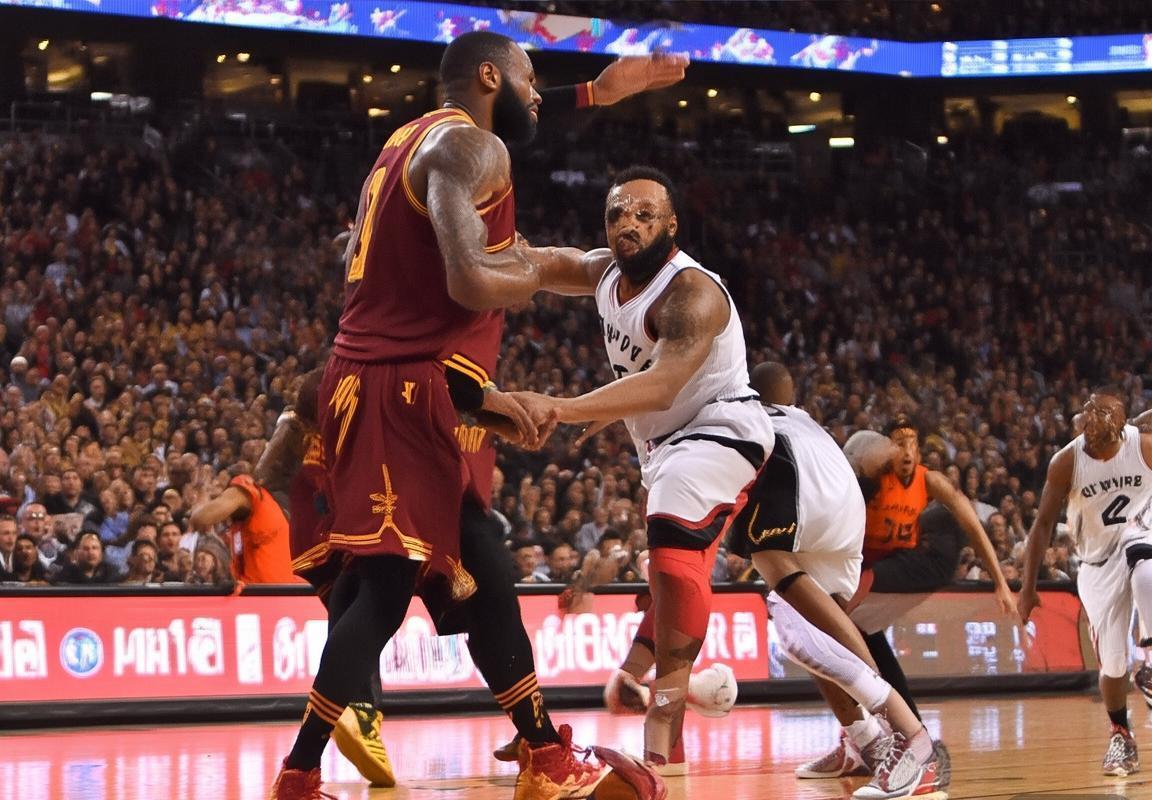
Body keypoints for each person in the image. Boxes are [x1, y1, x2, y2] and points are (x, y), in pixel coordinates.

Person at [269, 32, 671, 800]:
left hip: (384, 381)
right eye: (530, 78)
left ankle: (541, 749)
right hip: (405, 388)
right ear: (491, 76)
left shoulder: (410, 140)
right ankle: (301, 771)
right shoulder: (474, 150)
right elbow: (469, 282)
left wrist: (598, 94)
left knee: (482, 569)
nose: (538, 94)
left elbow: (484, 246)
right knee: (386, 589)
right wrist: (528, 278)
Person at [514, 166, 774, 775]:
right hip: (665, 445)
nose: (627, 223)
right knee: (669, 568)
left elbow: (662, 385)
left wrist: (565, 407)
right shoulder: (606, 272)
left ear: (671, 225)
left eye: (643, 214)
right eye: (616, 214)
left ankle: (663, 708)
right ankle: (649, 715)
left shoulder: (692, 292)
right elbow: (543, 264)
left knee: (672, 555)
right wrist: (488, 248)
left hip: (721, 427)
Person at [722, 363, 947, 798]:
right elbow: (867, 452)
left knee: (792, 621)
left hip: (811, 507)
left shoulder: (753, 418)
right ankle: (864, 742)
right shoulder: (808, 422)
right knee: (817, 633)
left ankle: (906, 739)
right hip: (844, 517)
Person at [801, 412, 1014, 780]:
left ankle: (871, 740)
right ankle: (889, 735)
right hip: (855, 567)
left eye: (913, 443)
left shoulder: (929, 480)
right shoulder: (870, 477)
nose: (907, 451)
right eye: (899, 444)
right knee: (857, 645)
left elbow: (970, 521)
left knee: (831, 630)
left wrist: (1000, 581)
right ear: (884, 449)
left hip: (892, 570)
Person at [1018, 387, 1152, 776]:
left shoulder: (1143, 447)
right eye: (1089, 411)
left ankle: (1149, 664)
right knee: (1112, 664)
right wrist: (1027, 588)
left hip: (1140, 538)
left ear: (1121, 423)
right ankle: (1121, 734)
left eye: (1104, 413)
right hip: (1095, 564)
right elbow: (1043, 524)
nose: (1093, 419)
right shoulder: (1067, 461)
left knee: (1143, 561)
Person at [188, 467, 299, 585]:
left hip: (266, 592)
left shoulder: (246, 488)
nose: (216, 489)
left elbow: (201, 519)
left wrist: (202, 494)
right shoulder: (243, 523)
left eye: (220, 484)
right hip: (263, 591)